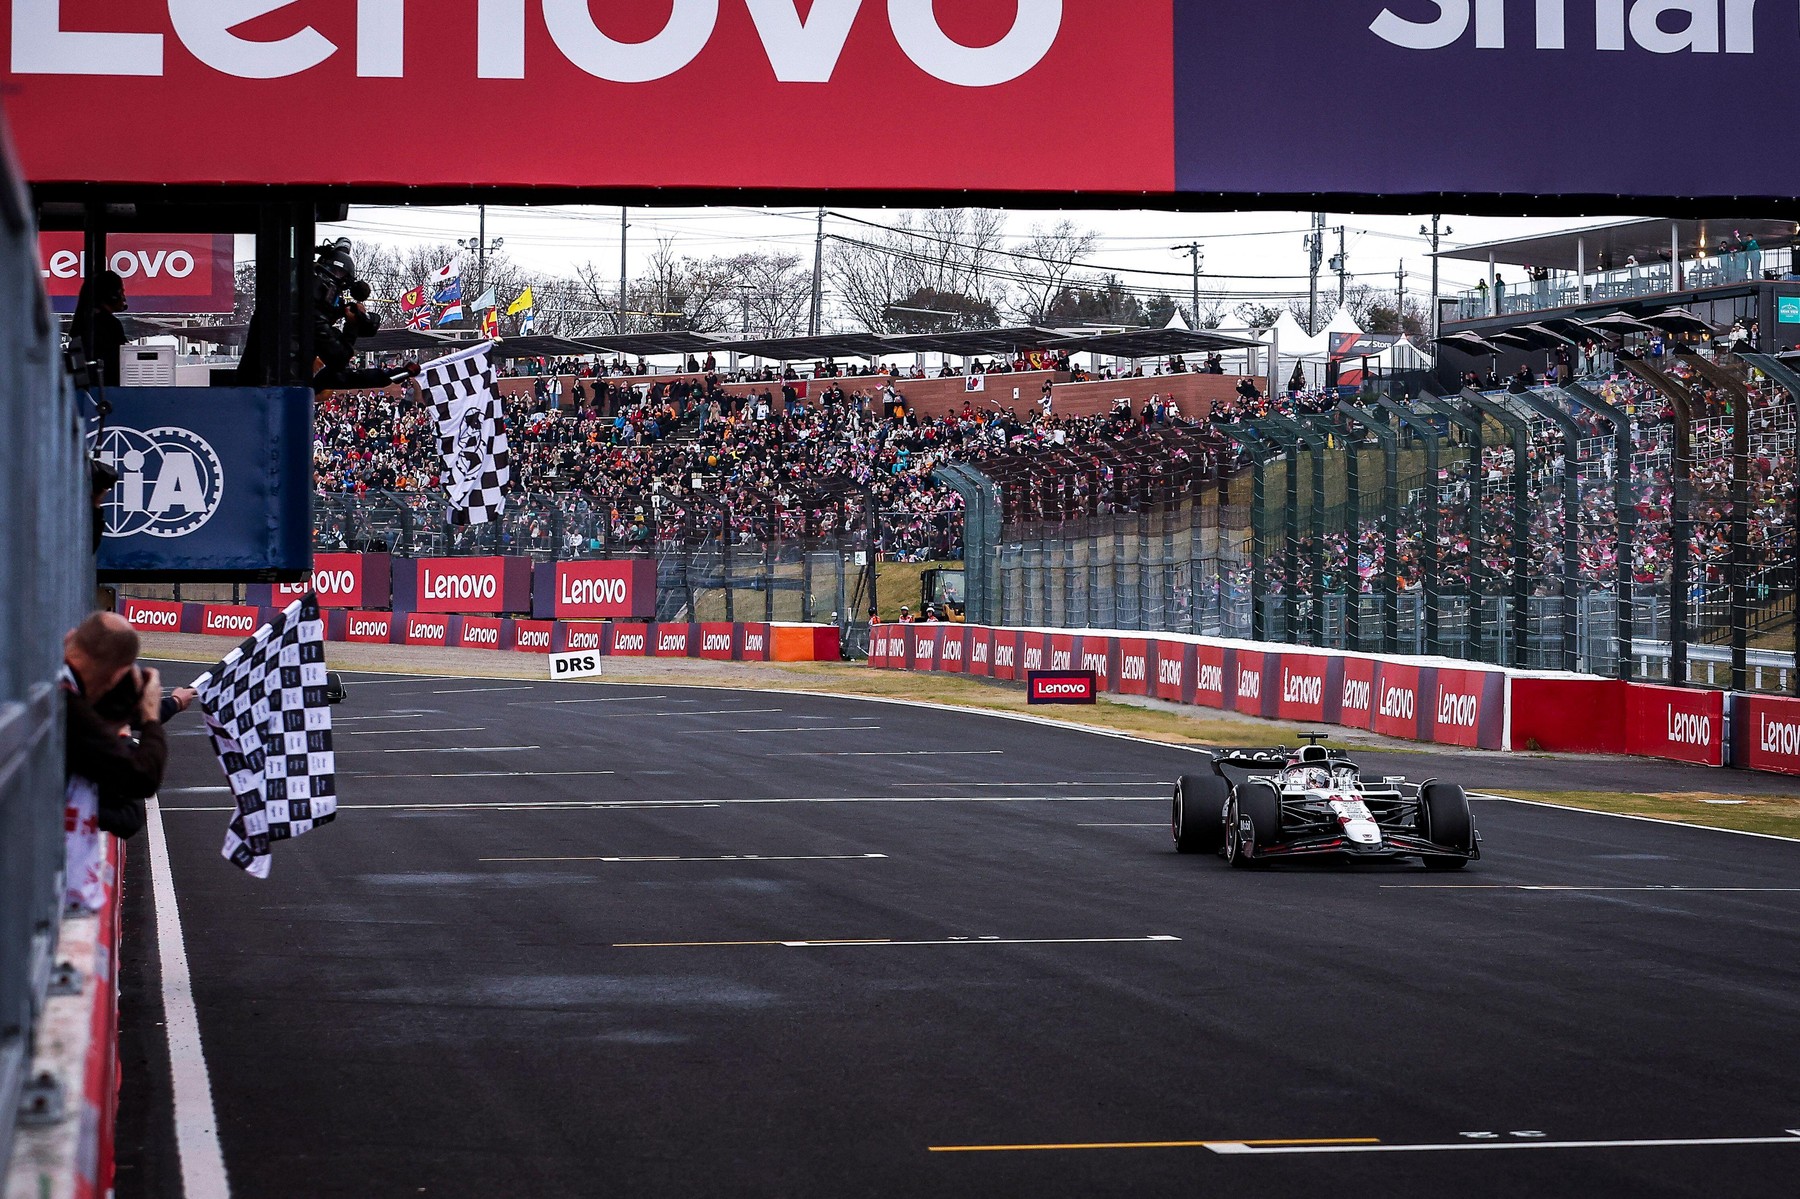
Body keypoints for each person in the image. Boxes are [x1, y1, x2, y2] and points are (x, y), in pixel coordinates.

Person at [69, 269, 129, 387]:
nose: (124, 298)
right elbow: (122, 365)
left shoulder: (84, 322)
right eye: (121, 292)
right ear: (113, 295)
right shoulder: (110, 325)